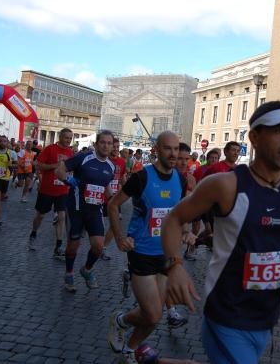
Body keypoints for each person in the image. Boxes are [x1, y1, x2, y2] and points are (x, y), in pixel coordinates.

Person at [161, 101, 280, 364]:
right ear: (255, 137)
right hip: (226, 314)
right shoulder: (224, 186)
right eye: (279, 131)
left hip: (267, 316)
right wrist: (175, 265)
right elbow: (174, 219)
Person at [106, 131, 186, 362]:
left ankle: (129, 349)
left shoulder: (180, 179)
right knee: (152, 314)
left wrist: (187, 231)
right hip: (141, 252)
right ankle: (121, 321)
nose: (173, 154)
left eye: (176, 149)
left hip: (166, 253)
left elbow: (179, 211)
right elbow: (113, 205)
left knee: (155, 315)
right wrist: (120, 237)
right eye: (168, 148)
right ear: (157, 150)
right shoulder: (141, 178)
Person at [56, 130, 115, 291]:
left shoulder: (111, 166)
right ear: (96, 144)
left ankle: (87, 270)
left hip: (95, 210)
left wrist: (114, 202)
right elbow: (60, 169)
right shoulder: (83, 158)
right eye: (103, 142)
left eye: (109, 143)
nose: (106, 146)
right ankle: (69, 274)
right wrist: (69, 180)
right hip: (76, 208)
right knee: (73, 246)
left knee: (98, 246)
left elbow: (107, 186)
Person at [28, 128, 73, 259]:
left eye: (70, 138)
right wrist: (54, 165)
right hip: (47, 189)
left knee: (61, 217)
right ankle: (33, 233)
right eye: (66, 138)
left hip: (62, 190)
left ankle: (58, 246)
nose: (68, 140)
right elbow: (38, 165)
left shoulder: (70, 152)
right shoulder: (50, 149)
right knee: (41, 216)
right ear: (60, 137)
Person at [101, 136, 127, 260]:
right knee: (96, 224)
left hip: (115, 198)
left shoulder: (122, 162)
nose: (116, 149)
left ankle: (103, 248)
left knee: (115, 223)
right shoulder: (104, 160)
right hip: (101, 196)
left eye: (118, 147)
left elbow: (122, 178)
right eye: (114, 147)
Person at [0, 135, 18, 228]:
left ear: (7, 142)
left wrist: (11, 166)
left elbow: (16, 165)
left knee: (1, 197)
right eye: (0, 141)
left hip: (5, 178)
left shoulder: (12, 153)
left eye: (4, 141)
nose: (2, 143)